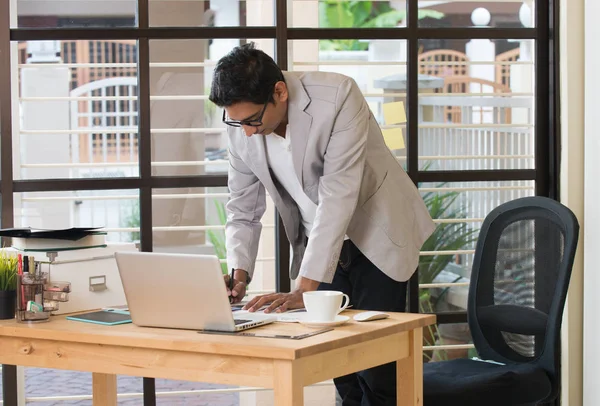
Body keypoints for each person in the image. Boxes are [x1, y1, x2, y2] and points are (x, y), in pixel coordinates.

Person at [209, 42, 435, 406]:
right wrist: (238, 275)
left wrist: (304, 288)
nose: (247, 132)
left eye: (252, 121)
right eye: (236, 122)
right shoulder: (242, 128)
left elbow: (338, 196)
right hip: (321, 244)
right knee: (339, 366)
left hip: (378, 233)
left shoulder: (338, 96)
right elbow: (242, 208)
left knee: (379, 369)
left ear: (279, 92)